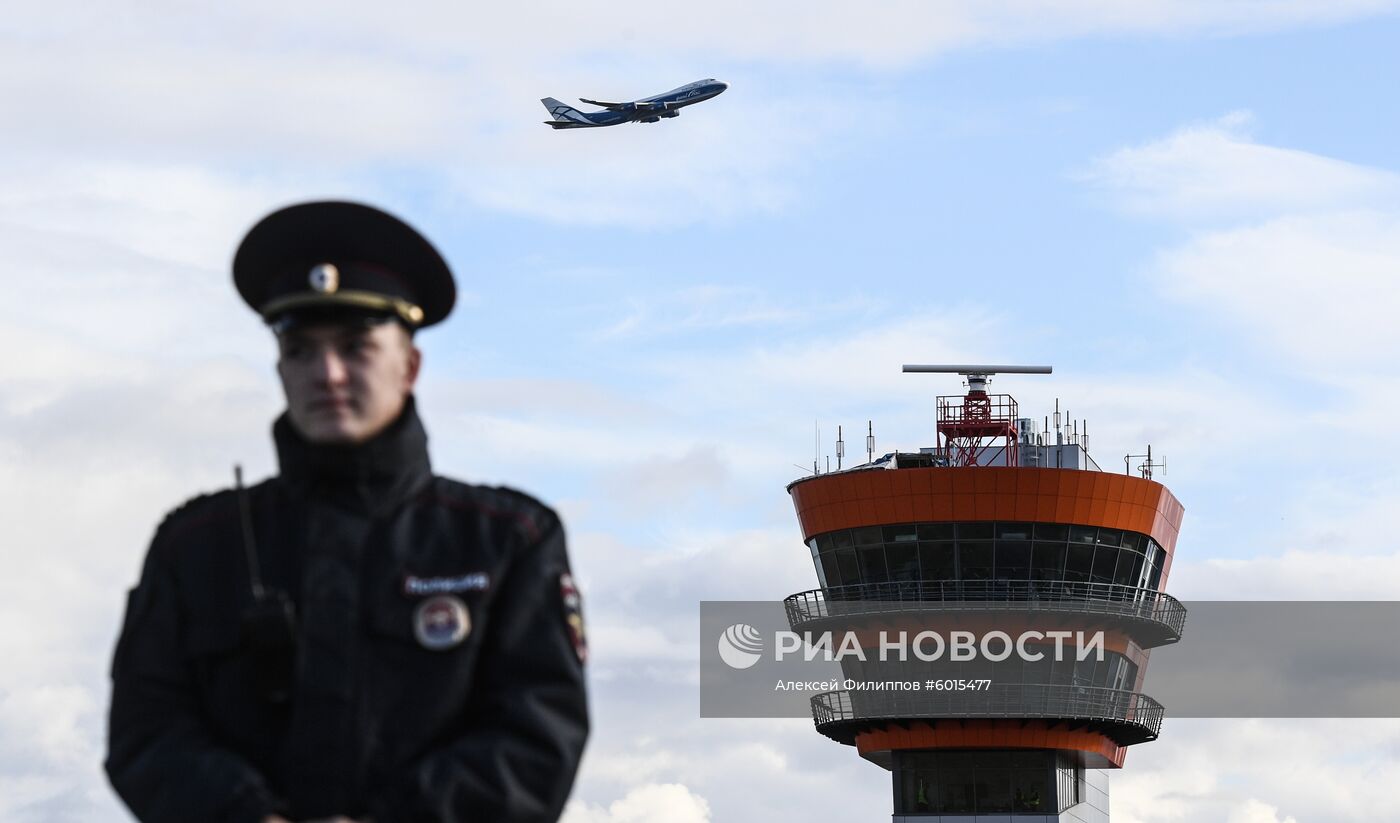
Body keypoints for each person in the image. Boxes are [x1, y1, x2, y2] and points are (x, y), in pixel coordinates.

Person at [106, 201, 589, 823]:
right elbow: (147, 733)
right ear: (280, 368)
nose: (327, 374)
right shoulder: (195, 546)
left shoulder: (505, 541)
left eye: (356, 347)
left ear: (409, 366)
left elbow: (536, 740)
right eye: (302, 351)